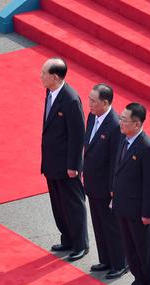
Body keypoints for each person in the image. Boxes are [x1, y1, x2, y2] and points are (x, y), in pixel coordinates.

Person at [40, 57, 89, 261]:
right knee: (58, 204)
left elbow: (78, 136)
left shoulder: (70, 99)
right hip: (51, 161)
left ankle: (80, 244)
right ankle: (67, 238)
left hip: (67, 165)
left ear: (55, 76)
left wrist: (73, 166)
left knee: (72, 204)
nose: (40, 76)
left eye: (44, 73)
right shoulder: (50, 92)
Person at [112, 102, 150, 285]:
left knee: (145, 249)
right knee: (131, 248)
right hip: (124, 206)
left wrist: (148, 213)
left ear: (138, 124)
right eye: (121, 118)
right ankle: (138, 280)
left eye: (125, 120)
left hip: (140, 211)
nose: (120, 123)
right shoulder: (125, 140)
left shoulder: (148, 148)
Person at [83, 83, 127, 278]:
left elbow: (115, 160)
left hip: (106, 185)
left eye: (93, 101)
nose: (89, 104)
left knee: (111, 226)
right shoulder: (92, 117)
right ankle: (106, 259)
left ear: (106, 102)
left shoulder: (116, 125)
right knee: (98, 223)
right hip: (92, 181)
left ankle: (120, 262)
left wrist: (113, 188)